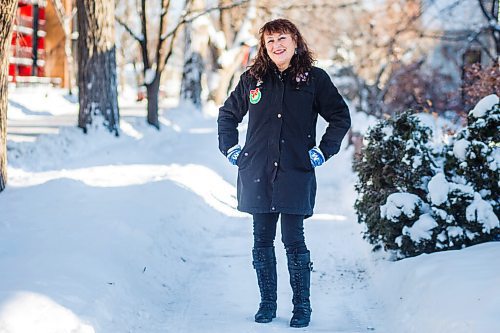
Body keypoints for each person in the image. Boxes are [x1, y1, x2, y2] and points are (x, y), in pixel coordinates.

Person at [217, 18, 351, 328]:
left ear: (295, 41)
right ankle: (267, 304)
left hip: (295, 171)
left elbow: (339, 117)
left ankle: (301, 307)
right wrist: (232, 150)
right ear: (264, 47)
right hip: (258, 172)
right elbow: (227, 116)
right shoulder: (253, 79)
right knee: (262, 241)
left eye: (282, 38)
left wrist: (323, 150)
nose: (276, 45)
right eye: (269, 41)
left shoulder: (314, 79)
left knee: (294, 241)